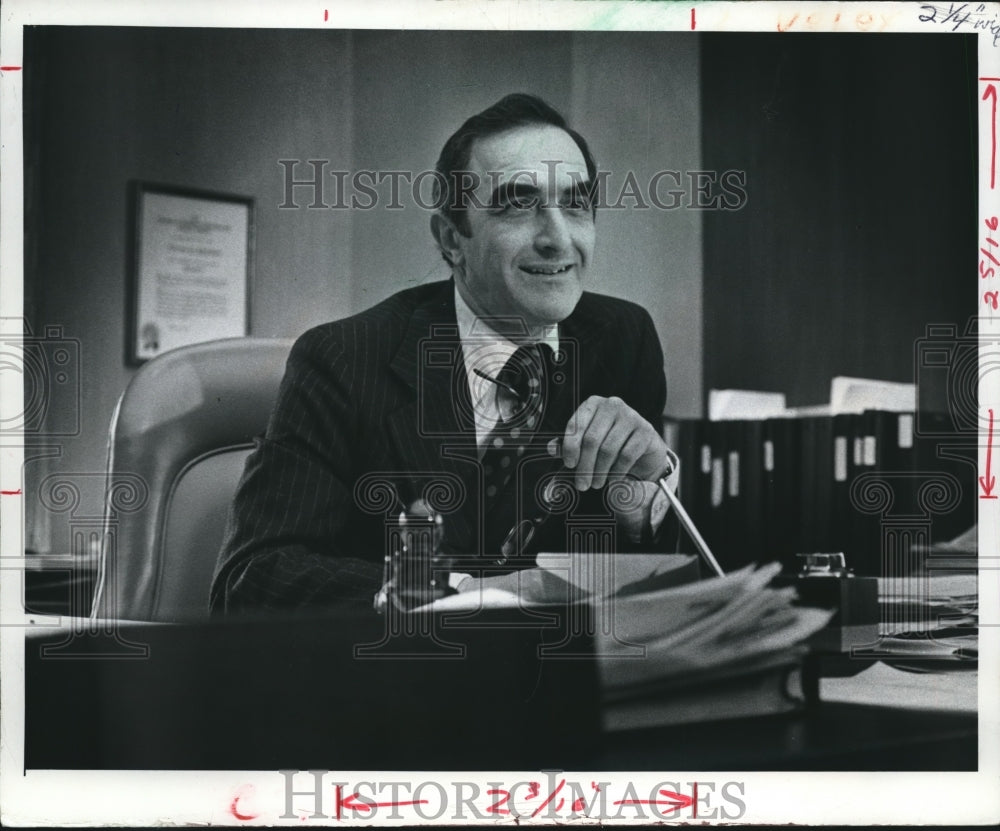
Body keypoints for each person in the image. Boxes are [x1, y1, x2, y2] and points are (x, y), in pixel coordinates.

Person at [210, 93, 676, 614]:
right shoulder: (342, 359)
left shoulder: (622, 339)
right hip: (400, 679)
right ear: (452, 239)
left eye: (576, 205)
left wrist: (645, 498)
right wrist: (461, 596)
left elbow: (663, 581)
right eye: (519, 205)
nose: (558, 238)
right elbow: (253, 578)